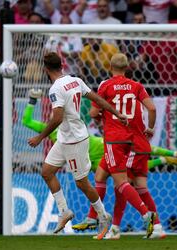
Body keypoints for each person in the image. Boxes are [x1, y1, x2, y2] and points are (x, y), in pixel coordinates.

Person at [23, 88, 177, 237]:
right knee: (113, 181)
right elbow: (27, 122)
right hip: (103, 157)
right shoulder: (54, 132)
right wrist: (32, 100)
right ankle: (105, 222)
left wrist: (32, 101)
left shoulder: (87, 138)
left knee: (123, 182)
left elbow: (94, 113)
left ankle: (126, 220)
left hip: (112, 147)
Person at [27, 52, 128, 237]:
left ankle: (103, 215)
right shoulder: (76, 80)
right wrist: (117, 112)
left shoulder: (56, 88)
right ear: (61, 65)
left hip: (75, 140)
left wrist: (40, 137)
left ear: (45, 69)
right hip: (64, 138)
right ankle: (64, 211)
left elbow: (57, 118)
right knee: (47, 172)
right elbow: (96, 98)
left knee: (81, 183)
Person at [92, 53, 157, 239]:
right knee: (104, 176)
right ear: (127, 67)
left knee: (120, 182)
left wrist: (99, 116)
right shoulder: (136, 86)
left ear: (110, 67)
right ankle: (111, 226)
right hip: (131, 140)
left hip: (114, 138)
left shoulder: (106, 85)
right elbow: (151, 108)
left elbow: (95, 111)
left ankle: (146, 215)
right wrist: (150, 128)